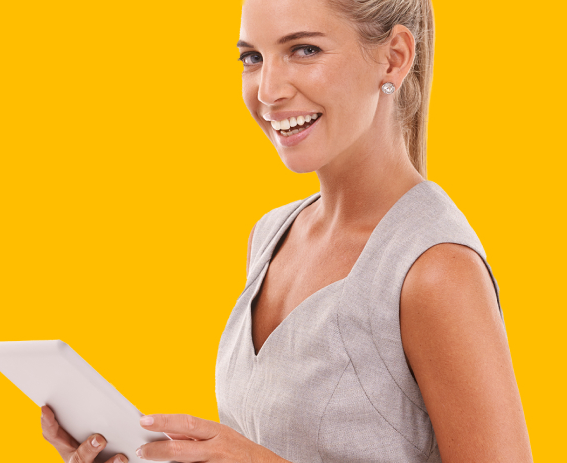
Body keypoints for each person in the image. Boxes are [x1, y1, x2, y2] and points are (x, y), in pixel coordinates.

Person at [40, 0, 533, 461]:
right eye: (252, 57)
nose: (268, 89)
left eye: (304, 50)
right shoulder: (272, 235)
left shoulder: (433, 269)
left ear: (394, 58)